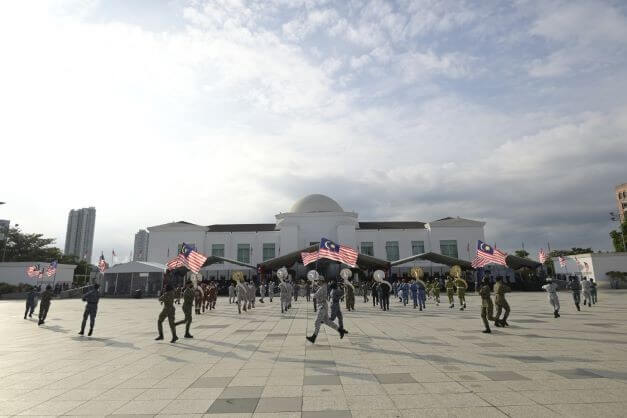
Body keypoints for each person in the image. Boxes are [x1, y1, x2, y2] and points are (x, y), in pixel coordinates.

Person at [306, 277, 346, 343]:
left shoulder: (322, 288)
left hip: (322, 307)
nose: (317, 282)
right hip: (323, 305)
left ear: (321, 281)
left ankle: (314, 337)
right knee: (327, 322)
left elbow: (315, 296)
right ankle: (340, 330)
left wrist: (311, 293)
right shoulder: (323, 286)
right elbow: (318, 288)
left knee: (317, 321)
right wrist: (314, 285)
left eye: (318, 281)